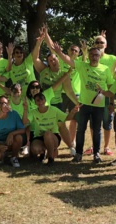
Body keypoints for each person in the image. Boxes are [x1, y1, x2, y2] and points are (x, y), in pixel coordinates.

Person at [55, 44, 114, 163]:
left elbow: (110, 86)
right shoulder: (82, 66)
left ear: (99, 57)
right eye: (91, 55)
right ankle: (78, 154)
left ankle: (96, 154)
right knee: (80, 129)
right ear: (88, 56)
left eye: (96, 55)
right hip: (84, 104)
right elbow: (69, 60)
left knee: (97, 130)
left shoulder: (105, 69)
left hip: (99, 105)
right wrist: (59, 53)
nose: (94, 57)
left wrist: (111, 102)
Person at [32, 27, 79, 156]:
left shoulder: (64, 74)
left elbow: (69, 92)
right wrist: (39, 42)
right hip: (43, 104)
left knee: (61, 125)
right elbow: (35, 58)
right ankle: (48, 147)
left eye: (54, 59)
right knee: (44, 127)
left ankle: (71, 147)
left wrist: (77, 103)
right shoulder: (43, 70)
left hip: (57, 104)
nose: (52, 61)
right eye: (50, 60)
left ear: (58, 60)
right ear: (47, 62)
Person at [82, 33, 116, 156]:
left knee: (107, 122)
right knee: (93, 123)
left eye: (102, 42)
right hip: (91, 96)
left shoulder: (112, 58)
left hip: (106, 95)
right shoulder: (90, 56)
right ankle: (93, 145)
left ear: (106, 45)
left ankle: (106, 147)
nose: (99, 44)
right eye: (97, 42)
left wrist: (112, 101)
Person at [23, 93, 79, 165]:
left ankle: (50, 158)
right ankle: (44, 152)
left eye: (42, 100)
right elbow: (25, 122)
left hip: (53, 136)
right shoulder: (33, 112)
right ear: (35, 102)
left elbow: (67, 118)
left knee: (47, 134)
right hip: (39, 137)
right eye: (37, 101)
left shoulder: (54, 110)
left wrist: (73, 112)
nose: (40, 102)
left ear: (45, 100)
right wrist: (25, 109)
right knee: (35, 149)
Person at [0, 96, 26, 167]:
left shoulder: (14, 114)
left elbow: (23, 129)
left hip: (11, 142)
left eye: (4, 103)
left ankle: (14, 157)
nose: (2, 105)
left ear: (8, 104)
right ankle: (2, 156)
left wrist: (11, 134)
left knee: (19, 137)